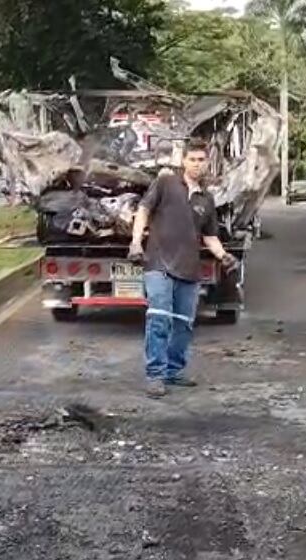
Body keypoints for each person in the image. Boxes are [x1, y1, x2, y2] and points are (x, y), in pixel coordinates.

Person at [130, 138, 238, 398]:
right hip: (158, 264)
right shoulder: (165, 183)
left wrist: (224, 255)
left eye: (201, 160)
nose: (197, 164)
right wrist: (135, 242)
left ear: (207, 162)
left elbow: (209, 236)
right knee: (159, 319)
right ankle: (155, 375)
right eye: (193, 159)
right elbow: (144, 210)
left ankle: (172, 371)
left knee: (183, 324)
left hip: (189, 270)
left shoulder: (207, 199)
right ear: (183, 161)